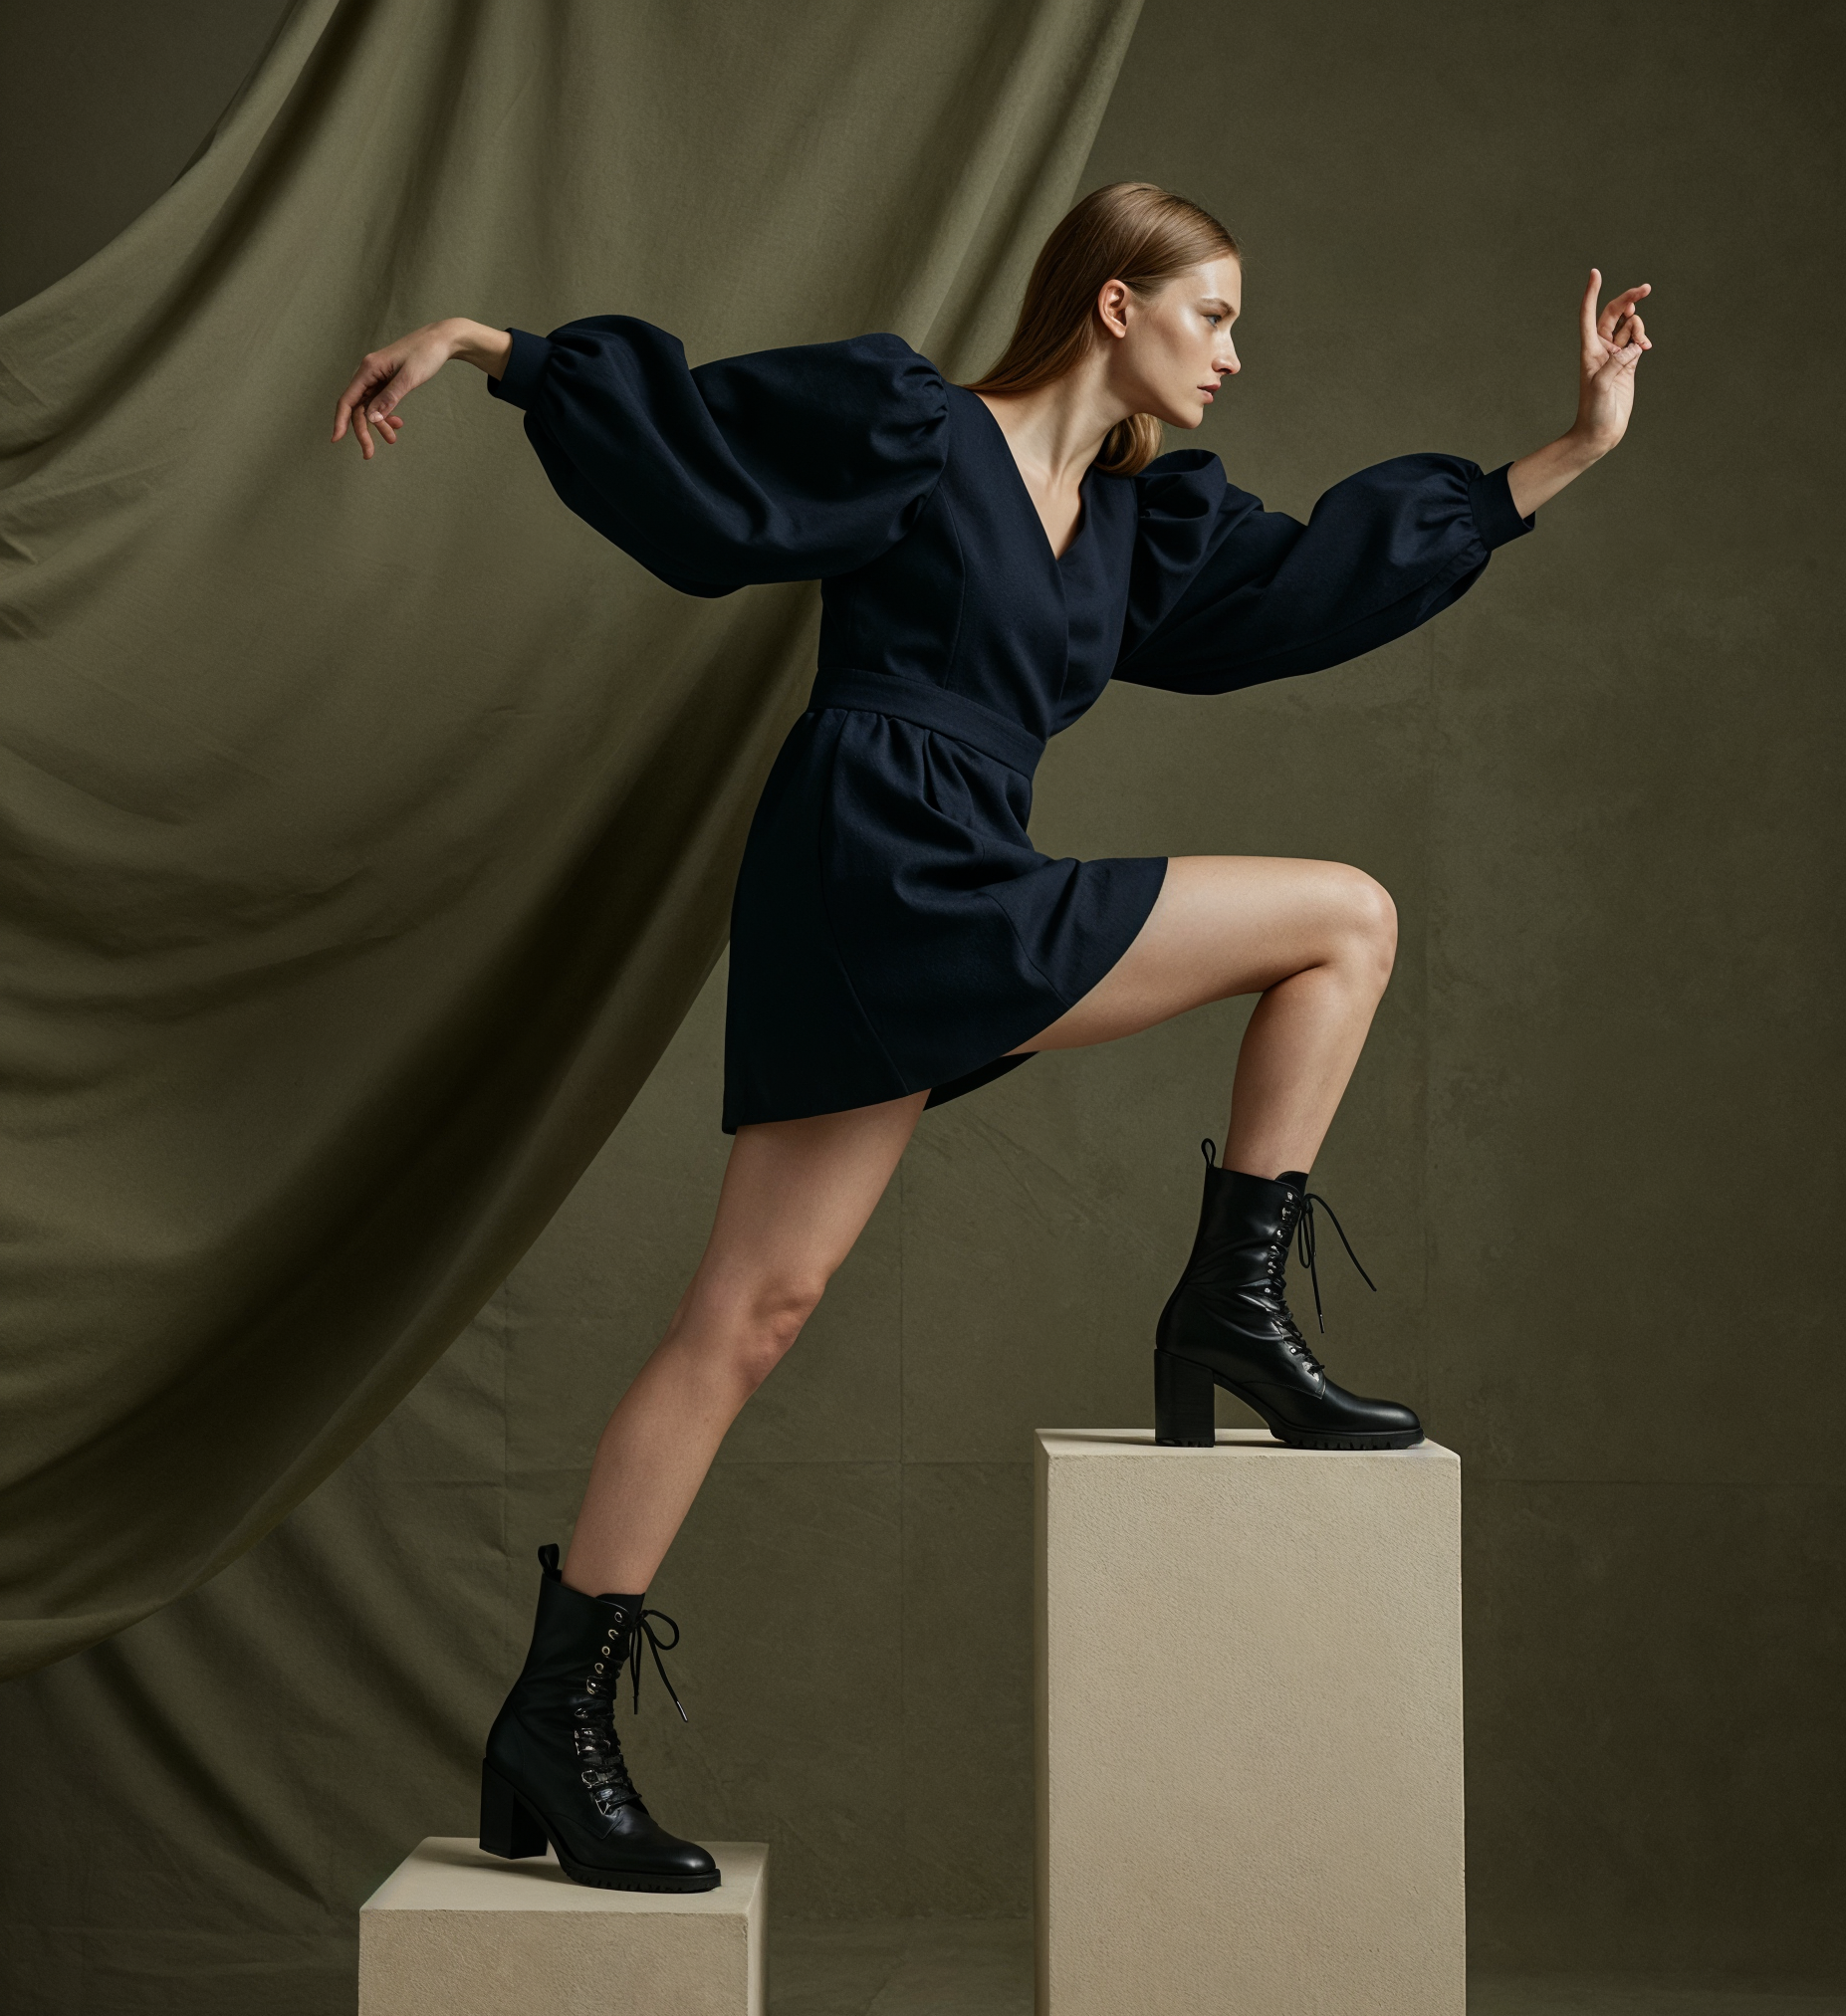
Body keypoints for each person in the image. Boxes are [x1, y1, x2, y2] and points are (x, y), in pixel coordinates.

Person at [332, 182, 1651, 1895]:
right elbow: (709, 449)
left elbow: (1316, 580)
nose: (1233, 354)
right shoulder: (915, 426)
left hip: (964, 866)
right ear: (1114, 305)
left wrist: (1566, 452)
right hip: (862, 859)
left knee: (754, 1312)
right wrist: (489, 349)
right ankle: (1226, 1313)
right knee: (1344, 917)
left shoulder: (1136, 529)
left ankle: (545, 1722)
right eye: (1213, 315)